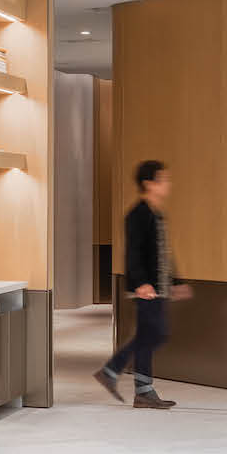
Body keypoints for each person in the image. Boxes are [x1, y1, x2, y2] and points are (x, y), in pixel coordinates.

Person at [96, 160, 190, 409]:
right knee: (154, 334)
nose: (168, 184)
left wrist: (176, 282)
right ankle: (115, 372)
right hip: (146, 288)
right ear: (149, 183)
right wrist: (140, 283)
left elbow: (165, 253)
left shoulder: (157, 213)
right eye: (163, 180)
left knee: (149, 335)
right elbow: (133, 253)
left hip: (157, 286)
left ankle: (140, 389)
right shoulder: (137, 214)